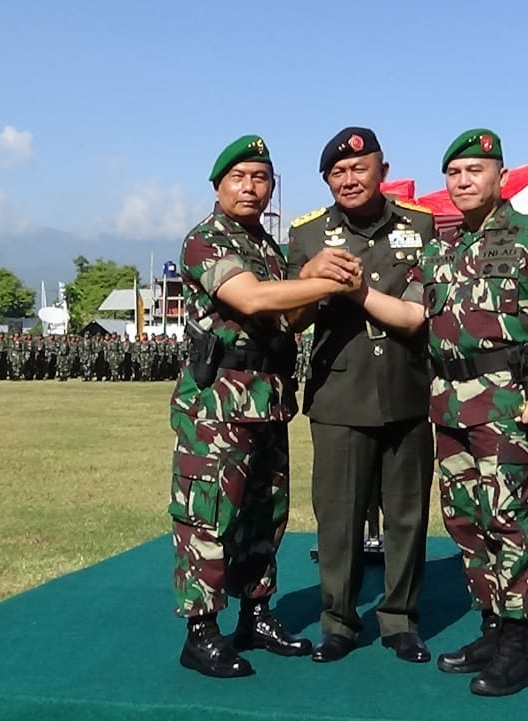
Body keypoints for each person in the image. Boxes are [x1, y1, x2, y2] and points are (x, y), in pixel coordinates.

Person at [334, 129, 528, 696]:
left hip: (507, 404)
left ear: (501, 176)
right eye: (454, 173)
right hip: (448, 405)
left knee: (508, 519)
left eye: (475, 170)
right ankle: (492, 629)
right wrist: (355, 292)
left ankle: (520, 647)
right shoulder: (441, 248)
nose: (463, 181)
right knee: (465, 521)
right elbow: (412, 315)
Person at [169, 134, 361, 678]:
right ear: (218, 186)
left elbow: (289, 318)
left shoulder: (268, 249)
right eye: (239, 178)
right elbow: (251, 298)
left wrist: (317, 280)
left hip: (267, 399)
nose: (250, 188)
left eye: (260, 179)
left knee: (264, 514)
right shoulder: (205, 240)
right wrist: (316, 280)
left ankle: (256, 615)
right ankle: (201, 632)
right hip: (218, 403)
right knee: (208, 515)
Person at [285, 127, 435, 665]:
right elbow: (289, 318)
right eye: (337, 173)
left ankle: (400, 620)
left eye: (358, 168)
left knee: (407, 516)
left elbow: (421, 311)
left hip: (406, 391)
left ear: (382, 171)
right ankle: (338, 622)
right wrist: (310, 276)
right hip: (340, 394)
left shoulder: (420, 225)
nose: (348, 179)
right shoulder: (307, 234)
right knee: (339, 519)